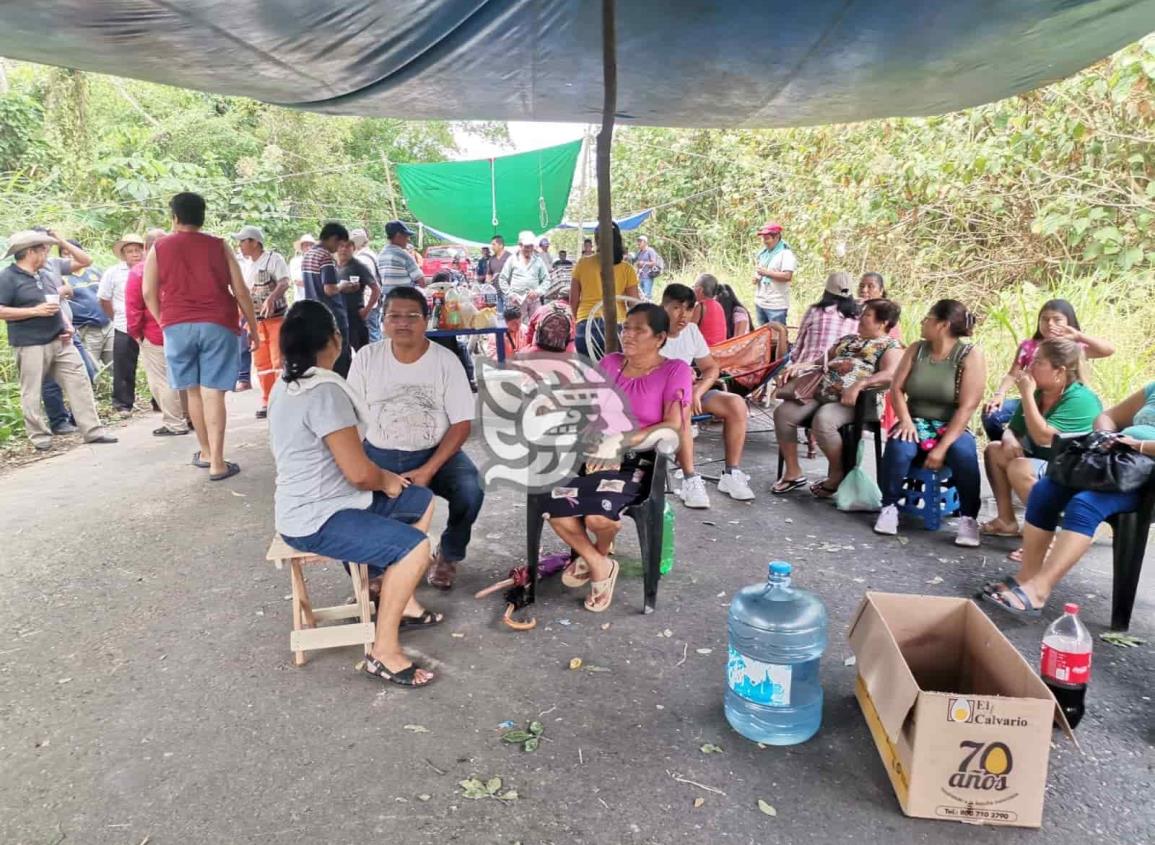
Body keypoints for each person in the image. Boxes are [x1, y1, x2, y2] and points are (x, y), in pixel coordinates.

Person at [270, 300, 441, 687]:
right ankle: (383, 653)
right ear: (334, 340)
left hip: (321, 503)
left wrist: (387, 480)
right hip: (315, 518)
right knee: (415, 547)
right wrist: (386, 479)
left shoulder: (288, 384)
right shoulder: (323, 393)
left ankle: (395, 594)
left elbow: (352, 467)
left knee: (421, 499)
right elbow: (360, 474)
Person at [546, 303, 691, 612]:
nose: (628, 335)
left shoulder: (674, 370)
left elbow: (672, 425)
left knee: (598, 516)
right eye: (626, 327)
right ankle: (599, 562)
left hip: (639, 459)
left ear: (661, 337)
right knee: (553, 503)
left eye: (639, 330)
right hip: (596, 452)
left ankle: (597, 550)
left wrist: (620, 443)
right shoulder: (611, 363)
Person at [347, 287, 484, 592]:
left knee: (471, 490)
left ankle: (448, 555)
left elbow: (461, 424)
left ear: (426, 321)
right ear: (383, 321)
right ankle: (377, 569)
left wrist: (429, 469)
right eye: (394, 316)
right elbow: (351, 416)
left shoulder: (445, 361)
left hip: (436, 453)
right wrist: (360, 464)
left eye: (412, 316)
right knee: (354, 502)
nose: (403, 323)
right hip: (378, 453)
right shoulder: (367, 358)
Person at [980, 383, 1155, 618]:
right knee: (1045, 490)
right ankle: (1027, 576)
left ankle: (1039, 590)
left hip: (1144, 479)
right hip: (1116, 461)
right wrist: (1107, 435)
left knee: (1085, 504)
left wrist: (1140, 445)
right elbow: (1108, 416)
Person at [143, 192, 259, 480]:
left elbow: (148, 291)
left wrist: (163, 320)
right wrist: (253, 327)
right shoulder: (219, 246)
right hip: (218, 322)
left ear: (174, 218)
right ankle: (219, 462)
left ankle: (205, 452)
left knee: (192, 390)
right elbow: (241, 290)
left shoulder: (160, 248)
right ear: (202, 216)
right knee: (213, 392)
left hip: (177, 325)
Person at [873, 300, 986, 546]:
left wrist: (941, 447)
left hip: (950, 423)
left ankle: (968, 518)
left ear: (943, 325)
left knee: (964, 453)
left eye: (928, 318)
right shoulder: (916, 349)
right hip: (914, 419)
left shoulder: (969, 355)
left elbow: (968, 407)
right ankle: (889, 506)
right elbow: (896, 389)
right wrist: (905, 421)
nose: (923, 322)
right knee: (900, 447)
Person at [980, 339, 1101, 560]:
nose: (1029, 367)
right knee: (995, 450)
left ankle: (1048, 540)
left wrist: (1026, 394)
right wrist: (1009, 439)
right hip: (1047, 464)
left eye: (1038, 362)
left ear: (1059, 371)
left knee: (1019, 467)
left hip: (1074, 472)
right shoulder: (1040, 392)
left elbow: (1044, 437)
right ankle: (1006, 521)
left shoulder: (1080, 399)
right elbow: (1013, 429)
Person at [772, 299, 904, 496]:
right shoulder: (849, 339)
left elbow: (890, 375)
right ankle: (793, 472)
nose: (860, 318)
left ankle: (836, 475)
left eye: (867, 315)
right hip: (821, 391)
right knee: (783, 413)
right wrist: (802, 366)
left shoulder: (890, 346)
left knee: (824, 419)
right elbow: (821, 361)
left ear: (883, 322)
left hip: (857, 402)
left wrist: (860, 384)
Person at [0, 230, 117, 450]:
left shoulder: (44, 274)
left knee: (80, 381)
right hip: (29, 343)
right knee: (32, 390)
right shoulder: (8, 277)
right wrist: (35, 311)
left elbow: (55, 303)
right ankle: (39, 435)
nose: (47, 253)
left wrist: (66, 324)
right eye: (43, 249)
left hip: (60, 339)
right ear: (30, 252)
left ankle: (92, 430)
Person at [661, 283, 755, 506]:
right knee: (682, 405)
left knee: (736, 404)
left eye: (689, 309)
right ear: (662, 307)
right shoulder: (652, 332)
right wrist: (684, 384)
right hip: (663, 399)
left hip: (690, 393)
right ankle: (690, 479)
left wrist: (697, 389)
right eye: (676, 308)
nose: (683, 315)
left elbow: (711, 368)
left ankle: (731, 474)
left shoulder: (692, 331)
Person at [982, 299, 1115, 442]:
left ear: (1069, 322)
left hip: (1065, 401)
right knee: (991, 414)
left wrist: (1078, 336)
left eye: (1057, 320)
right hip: (1033, 397)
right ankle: (1012, 445)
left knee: (1050, 435)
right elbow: (1012, 374)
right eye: (1045, 319)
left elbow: (1108, 350)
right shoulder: (1028, 346)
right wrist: (999, 394)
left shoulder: (1073, 348)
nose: (1050, 324)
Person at [125, 229, 189, 437]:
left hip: (154, 332)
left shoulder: (139, 272)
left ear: (145, 248)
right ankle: (190, 417)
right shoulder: (180, 268)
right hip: (182, 329)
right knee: (183, 376)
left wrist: (134, 332)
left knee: (162, 379)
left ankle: (174, 422)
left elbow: (133, 307)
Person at [233, 225, 291, 418]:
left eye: (243, 241)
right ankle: (267, 400)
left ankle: (281, 400)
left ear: (255, 242)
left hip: (276, 320)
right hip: (256, 322)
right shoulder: (245, 265)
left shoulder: (274, 259)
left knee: (278, 361)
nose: (240, 245)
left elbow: (284, 282)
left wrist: (271, 298)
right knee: (262, 364)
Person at [570, 222, 641, 358]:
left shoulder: (582, 263)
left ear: (596, 240)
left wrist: (577, 321)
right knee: (616, 374)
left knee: (588, 374)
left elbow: (573, 301)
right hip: (618, 326)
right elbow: (634, 304)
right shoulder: (627, 268)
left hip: (586, 327)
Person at [98, 233, 147, 412]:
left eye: (138, 250)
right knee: (123, 364)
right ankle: (123, 404)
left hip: (149, 323)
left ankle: (160, 401)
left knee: (156, 363)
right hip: (123, 323)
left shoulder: (151, 268)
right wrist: (115, 316)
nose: (135, 254)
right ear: (124, 254)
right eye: (130, 251)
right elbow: (104, 298)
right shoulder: (113, 273)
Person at [301, 222, 352, 377]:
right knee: (340, 356)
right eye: (339, 244)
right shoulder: (325, 257)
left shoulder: (308, 255)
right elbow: (329, 289)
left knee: (321, 356)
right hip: (332, 314)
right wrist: (343, 285)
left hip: (313, 314)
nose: (338, 249)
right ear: (333, 239)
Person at [785, 271, 861, 370]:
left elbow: (798, 345)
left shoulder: (815, 311)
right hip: (840, 372)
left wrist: (793, 363)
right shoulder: (858, 317)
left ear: (827, 291)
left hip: (806, 368)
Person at [65, 240, 113, 369]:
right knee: (91, 370)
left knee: (117, 367)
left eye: (73, 252)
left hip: (108, 326)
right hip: (85, 331)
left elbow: (109, 293)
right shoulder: (61, 277)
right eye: (65, 253)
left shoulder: (95, 271)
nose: (70, 256)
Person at [335, 239, 380, 353]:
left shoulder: (359, 266)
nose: (344, 249)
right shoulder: (333, 266)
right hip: (338, 315)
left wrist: (366, 310)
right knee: (340, 351)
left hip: (355, 315)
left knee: (362, 351)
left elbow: (376, 289)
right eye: (341, 246)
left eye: (348, 246)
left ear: (353, 249)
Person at [752, 222, 796, 326]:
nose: (764, 241)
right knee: (763, 335)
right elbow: (760, 272)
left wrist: (766, 273)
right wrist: (756, 278)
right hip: (761, 301)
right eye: (763, 238)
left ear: (776, 237)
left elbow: (787, 276)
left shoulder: (785, 254)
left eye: (767, 238)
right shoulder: (764, 254)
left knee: (777, 336)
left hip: (776, 304)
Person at [497, 231, 550, 313]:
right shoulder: (512, 259)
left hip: (534, 301)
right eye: (526, 246)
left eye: (531, 246)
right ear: (520, 245)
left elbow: (546, 280)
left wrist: (538, 292)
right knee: (517, 325)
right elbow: (502, 279)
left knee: (536, 324)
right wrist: (510, 294)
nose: (529, 249)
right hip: (516, 301)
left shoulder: (538, 260)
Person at [349, 228, 383, 343]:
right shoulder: (371, 254)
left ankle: (375, 359)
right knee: (374, 332)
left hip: (367, 301)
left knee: (371, 335)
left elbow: (362, 282)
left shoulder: (361, 259)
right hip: (372, 301)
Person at [375, 220, 424, 298]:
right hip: (405, 301)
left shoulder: (380, 255)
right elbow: (421, 281)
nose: (408, 240)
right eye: (406, 236)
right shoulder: (403, 255)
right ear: (398, 235)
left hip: (388, 302)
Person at [691, 273, 728, 346]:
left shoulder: (700, 307)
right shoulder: (719, 305)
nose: (693, 289)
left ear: (700, 290)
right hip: (720, 350)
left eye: (694, 286)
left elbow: (688, 331)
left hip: (707, 352)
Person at [634, 235, 664, 300]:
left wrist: (644, 263)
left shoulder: (650, 251)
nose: (638, 243)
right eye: (638, 241)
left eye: (640, 241)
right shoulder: (639, 252)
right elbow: (636, 262)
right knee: (641, 296)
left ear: (645, 242)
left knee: (647, 295)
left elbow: (654, 262)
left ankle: (650, 309)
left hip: (647, 276)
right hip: (640, 276)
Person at [289, 234, 315, 302]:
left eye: (311, 245)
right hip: (301, 299)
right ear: (302, 247)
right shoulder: (295, 261)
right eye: (306, 245)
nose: (309, 247)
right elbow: (297, 281)